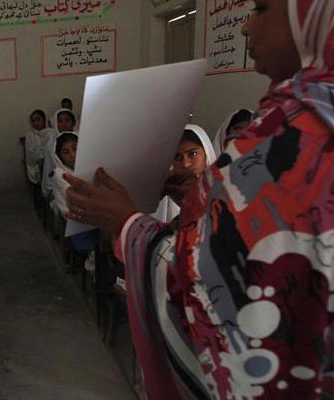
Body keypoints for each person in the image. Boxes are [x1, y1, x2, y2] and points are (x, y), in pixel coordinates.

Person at [64, 0, 334, 397]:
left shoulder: (300, 136)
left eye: (261, 8)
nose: (246, 28)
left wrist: (127, 225)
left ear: (312, 15)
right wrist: (207, 202)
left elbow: (217, 294)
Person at [154, 125, 217, 224]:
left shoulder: (222, 193)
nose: (185, 164)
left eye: (192, 154)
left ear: (206, 154)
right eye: (178, 157)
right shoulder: (165, 194)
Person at [42, 109, 77, 196]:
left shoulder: (80, 138)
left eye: (67, 120)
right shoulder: (52, 144)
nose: (64, 124)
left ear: (73, 122)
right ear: (55, 123)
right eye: (60, 121)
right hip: (60, 179)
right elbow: (50, 167)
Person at [25, 109, 55, 185]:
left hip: (50, 161)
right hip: (37, 164)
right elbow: (30, 152)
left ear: (44, 119)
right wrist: (40, 157)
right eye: (33, 121)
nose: (36, 123)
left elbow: (52, 149)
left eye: (38, 119)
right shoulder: (30, 135)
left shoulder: (51, 133)